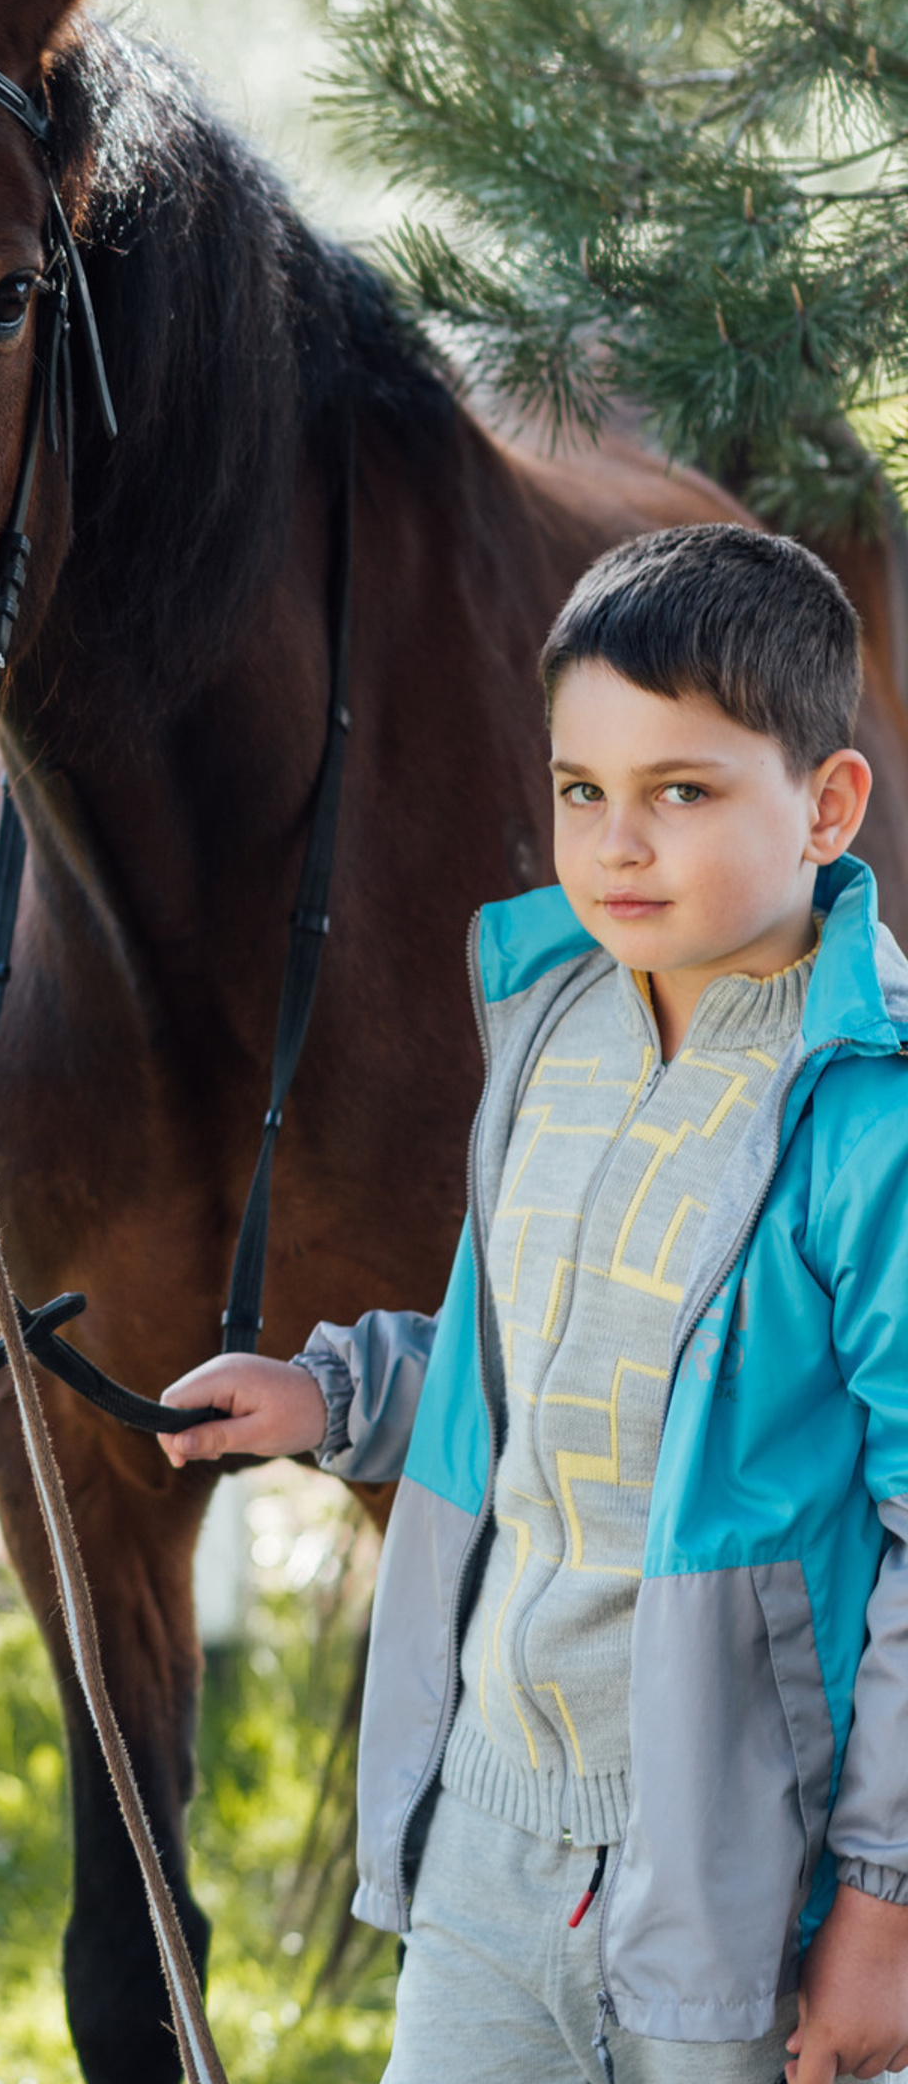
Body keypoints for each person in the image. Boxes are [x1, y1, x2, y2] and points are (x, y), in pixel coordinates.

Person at [160, 524, 908, 2084]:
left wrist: (885, 1904)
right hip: (488, 1823)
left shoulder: (870, 1121)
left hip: (731, 1864)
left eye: (681, 794)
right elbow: (535, 1366)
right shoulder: (550, 1028)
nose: (617, 846)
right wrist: (337, 1399)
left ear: (828, 807)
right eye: (583, 792)